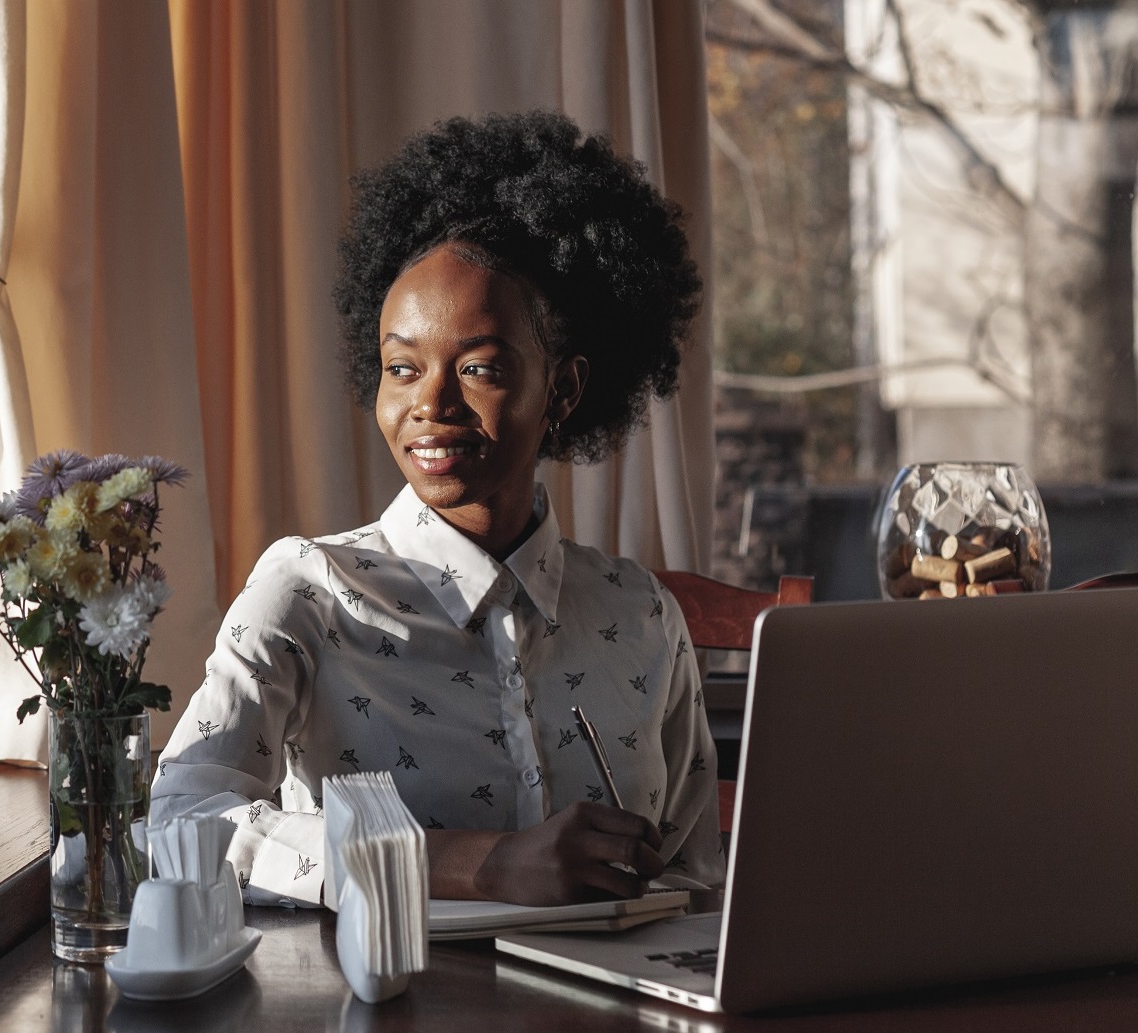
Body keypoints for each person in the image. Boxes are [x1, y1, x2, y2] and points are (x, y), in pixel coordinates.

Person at [152, 110, 722, 907]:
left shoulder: (641, 615)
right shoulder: (308, 591)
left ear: (562, 388)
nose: (430, 404)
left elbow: (698, 881)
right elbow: (181, 820)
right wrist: (471, 863)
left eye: (481, 367)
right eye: (401, 367)